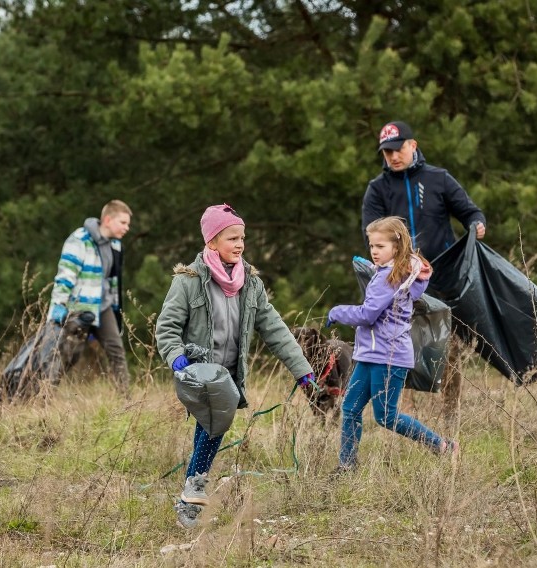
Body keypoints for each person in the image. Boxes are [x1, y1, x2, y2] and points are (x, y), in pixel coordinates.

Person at [156, 204, 314, 530]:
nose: (240, 244)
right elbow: (167, 328)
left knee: (213, 425)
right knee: (215, 425)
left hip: (229, 374)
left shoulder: (250, 284)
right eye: (232, 238)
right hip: (197, 371)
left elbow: (275, 329)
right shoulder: (188, 281)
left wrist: (301, 368)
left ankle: (191, 493)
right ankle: (193, 490)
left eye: (242, 237)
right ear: (212, 242)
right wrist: (175, 357)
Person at [362, 120, 487, 421]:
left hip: (443, 277)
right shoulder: (377, 189)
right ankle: (399, 412)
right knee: (398, 343)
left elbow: (470, 212)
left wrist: (477, 224)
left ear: (413, 145)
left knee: (450, 346)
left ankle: (449, 413)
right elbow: (369, 234)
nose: (392, 157)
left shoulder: (439, 179)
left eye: (397, 149)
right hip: (399, 281)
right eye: (386, 152)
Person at [327, 216, 459, 473]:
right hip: (370, 353)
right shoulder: (399, 273)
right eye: (372, 246)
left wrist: (337, 312)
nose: (375, 251)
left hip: (388, 356)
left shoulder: (389, 277)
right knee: (351, 407)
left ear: (396, 248)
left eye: (380, 246)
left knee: (386, 416)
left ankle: (443, 446)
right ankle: (347, 466)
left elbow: (367, 314)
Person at [47, 199, 132, 396]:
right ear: (108, 220)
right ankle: (44, 397)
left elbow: (113, 280)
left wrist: (115, 308)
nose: (127, 228)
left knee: (116, 351)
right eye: (123, 223)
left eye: (128, 224)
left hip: (103, 307)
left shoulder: (116, 246)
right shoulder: (79, 240)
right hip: (79, 308)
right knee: (68, 355)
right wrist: (58, 305)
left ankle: (126, 400)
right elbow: (65, 275)